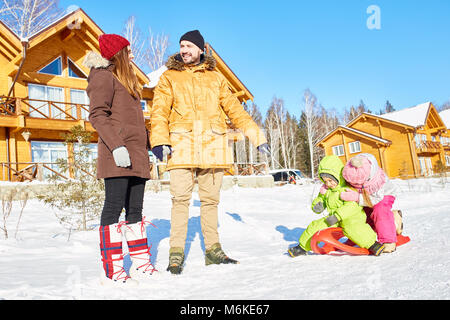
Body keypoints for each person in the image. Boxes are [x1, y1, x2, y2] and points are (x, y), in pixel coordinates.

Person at [150, 30, 270, 274]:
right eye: (181, 45)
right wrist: (160, 141)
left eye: (188, 46)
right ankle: (176, 253)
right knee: (180, 201)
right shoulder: (169, 77)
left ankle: (214, 251)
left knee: (210, 201)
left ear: (200, 49)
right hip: (181, 145)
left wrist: (257, 137)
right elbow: (159, 111)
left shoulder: (217, 79)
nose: (184, 50)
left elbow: (236, 111)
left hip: (213, 146)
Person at [84, 34, 154, 284]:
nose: (132, 55)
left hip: (137, 155)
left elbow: (135, 122)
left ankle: (141, 262)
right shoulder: (103, 76)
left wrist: (151, 146)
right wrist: (116, 147)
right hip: (118, 155)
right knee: (114, 208)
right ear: (118, 53)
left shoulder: (128, 80)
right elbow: (97, 115)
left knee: (136, 209)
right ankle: (113, 267)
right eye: (128, 50)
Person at [288, 155, 385, 257]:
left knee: (353, 228)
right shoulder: (326, 190)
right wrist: (318, 205)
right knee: (315, 225)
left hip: (351, 218)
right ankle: (302, 247)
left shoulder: (347, 189)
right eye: (325, 181)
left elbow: (352, 206)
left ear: (338, 176)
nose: (328, 184)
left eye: (330, 180)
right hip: (334, 219)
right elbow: (321, 199)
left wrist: (337, 216)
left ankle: (373, 244)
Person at [340, 153, 403, 253]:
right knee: (363, 215)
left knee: (380, 211)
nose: (352, 184)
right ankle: (361, 236)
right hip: (365, 196)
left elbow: (376, 199)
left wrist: (357, 197)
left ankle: (388, 241)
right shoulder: (351, 170)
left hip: (383, 195)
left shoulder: (376, 180)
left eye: (355, 183)